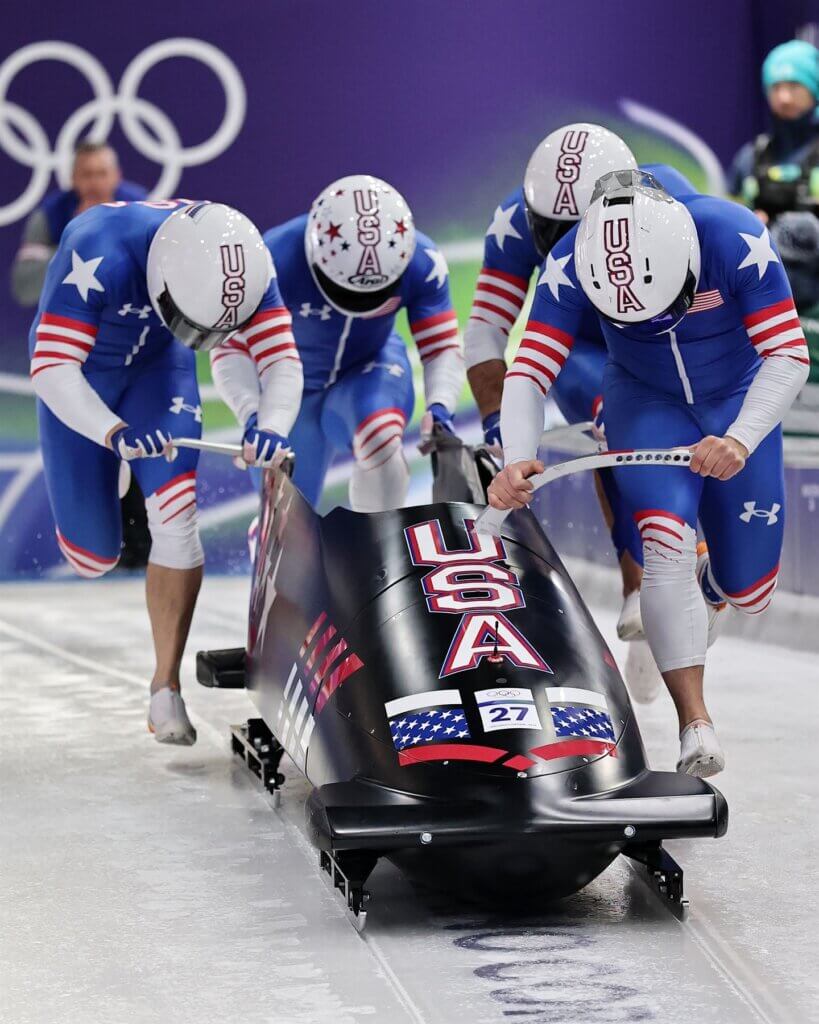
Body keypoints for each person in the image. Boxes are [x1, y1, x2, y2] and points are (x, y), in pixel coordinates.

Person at [488, 169, 809, 778]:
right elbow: (529, 370)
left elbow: (788, 353)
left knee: (752, 590)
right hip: (645, 400)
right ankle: (695, 726)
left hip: (738, 398)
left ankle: (710, 590)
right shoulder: (571, 262)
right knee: (662, 545)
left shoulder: (732, 235)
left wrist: (741, 437)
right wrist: (516, 458)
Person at [29, 199, 301, 744]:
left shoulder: (246, 260)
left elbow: (280, 360)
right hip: (82, 376)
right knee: (93, 557)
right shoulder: (97, 247)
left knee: (178, 518)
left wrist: (269, 423)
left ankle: (164, 688)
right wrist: (111, 431)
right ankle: (113, 476)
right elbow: (51, 366)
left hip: (161, 370)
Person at [464, 122, 697, 699]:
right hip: (582, 349)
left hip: (661, 339)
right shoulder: (514, 223)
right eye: (553, 229)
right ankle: (637, 585)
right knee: (612, 428)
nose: (565, 242)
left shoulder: (670, 197)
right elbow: (486, 330)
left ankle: (670, 573)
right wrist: (497, 414)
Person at [211, 175, 464, 512]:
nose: (359, 300)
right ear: (314, 255)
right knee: (288, 525)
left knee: (381, 439)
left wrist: (441, 406)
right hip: (287, 388)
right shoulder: (273, 259)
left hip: (370, 368)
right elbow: (230, 348)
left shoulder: (423, 262)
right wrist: (255, 415)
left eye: (374, 293)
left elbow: (442, 346)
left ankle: (377, 554)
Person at [729, 39, 819, 312]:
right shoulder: (751, 156)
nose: (784, 98)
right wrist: (745, 223)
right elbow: (725, 226)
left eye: (794, 86)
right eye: (776, 87)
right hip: (766, 307)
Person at [12, 141, 147, 307]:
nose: (95, 183)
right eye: (87, 174)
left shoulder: (141, 210)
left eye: (102, 173)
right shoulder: (49, 215)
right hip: (70, 313)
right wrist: (75, 241)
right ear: (73, 178)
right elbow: (24, 288)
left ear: (117, 176)